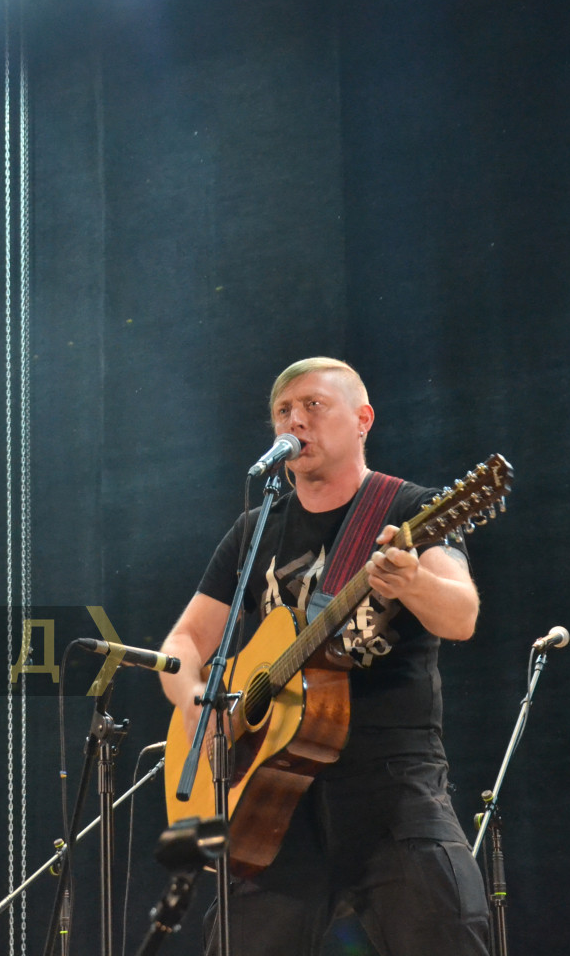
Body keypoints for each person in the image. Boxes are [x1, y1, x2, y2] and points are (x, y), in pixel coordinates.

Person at [159, 358, 489, 956]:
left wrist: (413, 581)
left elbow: (461, 616)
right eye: (283, 411)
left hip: (392, 788)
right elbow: (182, 644)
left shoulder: (409, 510)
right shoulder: (254, 529)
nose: (295, 420)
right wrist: (198, 702)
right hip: (274, 805)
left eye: (313, 405)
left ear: (363, 419)